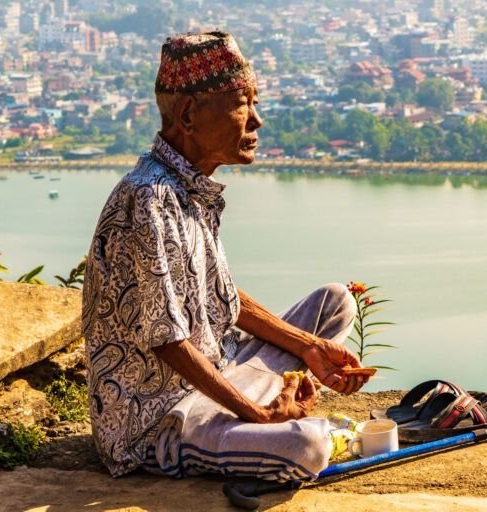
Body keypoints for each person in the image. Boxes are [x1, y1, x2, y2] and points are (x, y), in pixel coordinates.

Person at [82, 31, 371, 482]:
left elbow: (220, 295)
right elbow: (168, 341)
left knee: (335, 301)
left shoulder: (190, 188)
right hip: (164, 418)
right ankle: (269, 418)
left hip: (220, 369)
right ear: (189, 115)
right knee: (307, 446)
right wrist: (257, 414)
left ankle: (271, 400)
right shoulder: (149, 199)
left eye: (254, 103)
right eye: (242, 104)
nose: (256, 121)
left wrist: (309, 348)